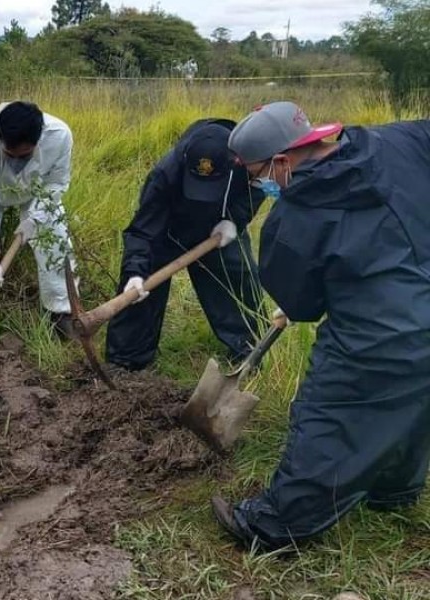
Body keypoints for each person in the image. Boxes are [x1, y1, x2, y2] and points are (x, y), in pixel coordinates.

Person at [212, 101, 430, 550]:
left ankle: (277, 525)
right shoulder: (396, 140)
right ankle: (393, 489)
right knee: (413, 396)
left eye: (257, 174)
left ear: (281, 162)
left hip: (381, 335)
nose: (260, 184)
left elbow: (304, 305)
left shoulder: (292, 222)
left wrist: (304, 293)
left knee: (329, 414)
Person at [105, 119, 265, 372]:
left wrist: (235, 219)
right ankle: (126, 360)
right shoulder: (165, 173)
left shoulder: (247, 160)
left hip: (218, 226)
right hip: (168, 229)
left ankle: (251, 352)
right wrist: (136, 271)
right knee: (138, 288)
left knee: (238, 277)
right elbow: (143, 229)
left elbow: (259, 186)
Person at [0, 101, 76, 337]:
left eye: (24, 155)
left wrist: (34, 219)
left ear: (38, 141)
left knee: (55, 238)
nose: (15, 161)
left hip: (35, 190)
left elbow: (57, 183)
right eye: (9, 155)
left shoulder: (59, 135)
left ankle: (61, 311)